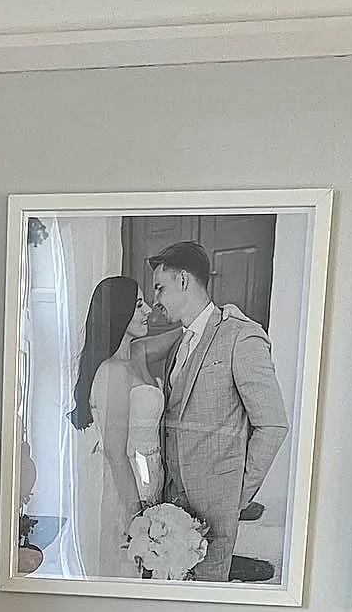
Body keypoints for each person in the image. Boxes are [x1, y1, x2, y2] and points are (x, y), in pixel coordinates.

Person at [150, 240, 289, 584]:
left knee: (207, 597)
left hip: (216, 506)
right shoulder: (178, 344)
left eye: (160, 287)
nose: (156, 299)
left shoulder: (242, 336)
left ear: (184, 280)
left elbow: (272, 425)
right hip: (171, 504)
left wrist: (237, 495)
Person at [68, 276, 163, 576]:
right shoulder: (112, 371)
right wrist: (138, 519)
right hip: (128, 485)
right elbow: (114, 453)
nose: (148, 310)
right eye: (139, 305)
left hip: (149, 474)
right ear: (119, 313)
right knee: (127, 567)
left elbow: (179, 335)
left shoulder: (135, 356)